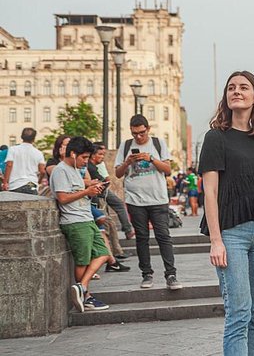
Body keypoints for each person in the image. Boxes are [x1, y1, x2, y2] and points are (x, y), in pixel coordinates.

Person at [199, 70, 254, 355]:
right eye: (231, 87)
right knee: (239, 312)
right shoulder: (215, 138)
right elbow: (209, 192)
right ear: (226, 97)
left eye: (244, 87)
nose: (236, 91)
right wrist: (215, 240)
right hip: (231, 233)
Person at [114, 114, 182, 290]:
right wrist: (128, 161)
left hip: (158, 198)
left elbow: (167, 169)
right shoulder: (126, 146)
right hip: (135, 199)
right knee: (142, 238)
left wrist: (151, 159)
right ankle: (146, 274)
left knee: (163, 236)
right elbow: (118, 174)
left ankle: (171, 274)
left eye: (141, 133)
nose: (138, 136)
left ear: (148, 129)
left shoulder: (158, 143)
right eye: (134, 133)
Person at [50, 136, 110, 312]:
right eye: (84, 157)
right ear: (73, 153)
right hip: (75, 221)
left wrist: (92, 191)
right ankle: (86, 297)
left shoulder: (75, 169)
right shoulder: (61, 171)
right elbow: (62, 198)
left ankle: (81, 287)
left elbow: (78, 193)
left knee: (103, 253)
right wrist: (86, 191)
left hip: (86, 218)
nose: (86, 161)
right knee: (82, 261)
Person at [89, 142, 135, 241]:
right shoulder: (90, 167)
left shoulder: (96, 166)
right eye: (100, 154)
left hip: (100, 192)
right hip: (96, 195)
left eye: (103, 154)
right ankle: (127, 230)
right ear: (92, 155)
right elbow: (103, 180)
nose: (102, 157)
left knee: (113, 211)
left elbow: (105, 179)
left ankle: (127, 230)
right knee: (107, 218)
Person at [2, 127, 46, 194]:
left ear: (21, 137)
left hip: (15, 184)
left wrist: (5, 182)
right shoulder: (38, 153)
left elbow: (9, 165)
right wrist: (38, 181)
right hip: (31, 184)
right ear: (34, 139)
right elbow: (42, 171)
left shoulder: (13, 149)